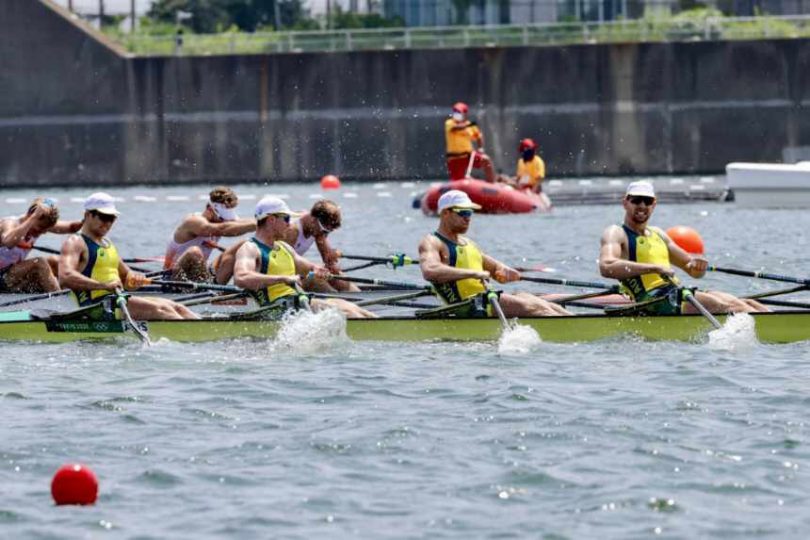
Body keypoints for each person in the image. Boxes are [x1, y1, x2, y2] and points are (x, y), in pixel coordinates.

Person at [599, 181, 768, 314]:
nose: (642, 205)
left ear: (654, 204)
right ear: (625, 203)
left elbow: (693, 270)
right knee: (732, 308)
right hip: (652, 301)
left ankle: (783, 326)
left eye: (648, 201)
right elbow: (606, 267)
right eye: (636, 200)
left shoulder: (659, 234)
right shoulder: (616, 233)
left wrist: (698, 266)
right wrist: (653, 268)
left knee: (748, 303)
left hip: (674, 293)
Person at [418, 190, 570, 317]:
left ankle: (579, 323)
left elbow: (496, 269)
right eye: (463, 212)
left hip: (487, 300)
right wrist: (473, 274)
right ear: (445, 213)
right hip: (468, 306)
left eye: (470, 212)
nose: (468, 218)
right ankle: (573, 331)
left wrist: (505, 271)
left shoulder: (470, 244)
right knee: (537, 308)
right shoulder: (432, 242)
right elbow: (430, 271)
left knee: (538, 301)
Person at [60, 192, 199, 320]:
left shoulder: (107, 244)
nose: (108, 223)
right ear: (87, 215)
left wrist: (136, 279)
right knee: (161, 309)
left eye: (112, 218)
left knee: (176, 307)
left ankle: (205, 332)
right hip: (95, 306)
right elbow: (65, 277)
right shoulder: (75, 242)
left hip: (117, 299)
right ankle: (190, 337)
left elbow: (127, 279)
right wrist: (103, 285)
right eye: (104, 217)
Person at [233, 196, 375, 319]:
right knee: (348, 312)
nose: (289, 224)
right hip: (277, 308)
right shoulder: (250, 248)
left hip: (297, 302)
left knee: (354, 308)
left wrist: (318, 270)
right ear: (271, 220)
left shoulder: (284, 247)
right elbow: (241, 278)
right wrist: (282, 278)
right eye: (286, 218)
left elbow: (307, 267)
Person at [163, 186, 256, 284]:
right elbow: (222, 229)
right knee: (194, 252)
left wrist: (264, 222)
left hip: (201, 274)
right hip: (173, 276)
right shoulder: (193, 221)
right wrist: (256, 224)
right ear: (210, 210)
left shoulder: (220, 220)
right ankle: (208, 291)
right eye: (222, 219)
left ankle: (224, 291)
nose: (225, 221)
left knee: (243, 244)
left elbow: (239, 226)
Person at [0, 197, 82, 293]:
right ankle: (60, 300)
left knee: (55, 262)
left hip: (11, 275)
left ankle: (77, 294)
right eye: (39, 229)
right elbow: (8, 242)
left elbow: (71, 227)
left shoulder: (41, 224)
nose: (41, 233)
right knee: (39, 263)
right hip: (3, 276)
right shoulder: (9, 223)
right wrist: (34, 217)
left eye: (46, 230)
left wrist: (87, 220)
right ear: (30, 215)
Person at [281, 199, 359, 293]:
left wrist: (332, 264)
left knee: (341, 280)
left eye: (328, 232)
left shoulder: (316, 228)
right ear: (314, 220)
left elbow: (328, 262)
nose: (324, 235)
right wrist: (313, 269)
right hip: (280, 273)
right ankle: (336, 301)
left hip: (296, 269)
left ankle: (362, 298)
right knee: (317, 280)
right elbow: (283, 265)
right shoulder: (292, 231)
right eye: (324, 230)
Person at [444, 102, 496, 183]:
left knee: (486, 160)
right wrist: (467, 126)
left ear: (465, 114)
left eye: (459, 112)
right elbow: (456, 128)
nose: (456, 114)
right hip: (454, 159)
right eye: (455, 112)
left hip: (468, 156)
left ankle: (492, 184)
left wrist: (480, 148)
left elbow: (479, 137)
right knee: (458, 181)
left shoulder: (470, 126)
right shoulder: (449, 123)